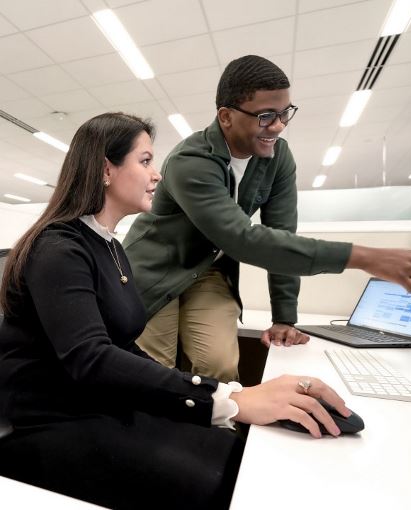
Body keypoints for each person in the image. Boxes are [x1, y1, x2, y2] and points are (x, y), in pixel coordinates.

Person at [0, 112, 352, 510]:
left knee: (229, 447)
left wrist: (225, 395)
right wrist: (226, 400)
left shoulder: (111, 247)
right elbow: (91, 358)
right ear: (105, 170)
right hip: (54, 420)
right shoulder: (59, 248)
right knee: (220, 481)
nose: (157, 176)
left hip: (100, 404)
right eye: (145, 161)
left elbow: (123, 348)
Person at [124, 55, 411, 382]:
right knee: (155, 373)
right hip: (154, 269)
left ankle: (214, 436)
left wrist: (285, 318)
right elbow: (242, 239)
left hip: (209, 270)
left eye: (285, 113)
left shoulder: (277, 157)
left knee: (221, 368)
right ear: (226, 117)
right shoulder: (191, 160)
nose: (279, 126)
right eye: (266, 116)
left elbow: (280, 233)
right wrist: (366, 257)